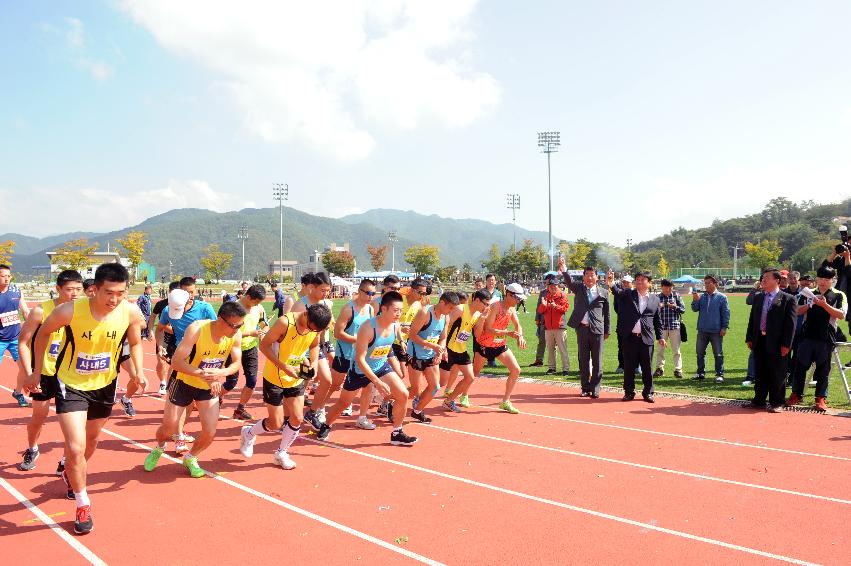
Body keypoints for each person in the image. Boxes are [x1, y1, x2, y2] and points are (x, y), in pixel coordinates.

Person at [28, 263, 147, 535]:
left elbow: (136, 343)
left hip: (105, 385)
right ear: (94, 289)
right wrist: (36, 371)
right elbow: (42, 334)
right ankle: (82, 503)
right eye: (108, 292)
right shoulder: (69, 311)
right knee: (76, 446)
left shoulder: (129, 311)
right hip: (70, 383)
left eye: (120, 292)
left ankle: (71, 469)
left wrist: (138, 372)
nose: (114, 299)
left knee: (91, 441)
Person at [144, 301, 246, 477]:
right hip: (183, 382)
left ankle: (191, 457)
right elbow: (176, 362)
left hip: (207, 387)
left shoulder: (235, 335)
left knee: (210, 431)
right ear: (221, 320)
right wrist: (205, 374)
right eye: (235, 325)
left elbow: (236, 364)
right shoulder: (197, 329)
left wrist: (220, 372)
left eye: (240, 325)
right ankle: (159, 447)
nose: (237, 329)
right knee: (168, 428)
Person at [316, 292, 417, 446]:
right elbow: (360, 359)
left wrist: (400, 351)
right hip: (359, 371)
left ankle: (397, 432)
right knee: (343, 403)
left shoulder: (395, 325)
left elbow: (386, 348)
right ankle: (326, 424)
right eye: (396, 310)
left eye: (401, 311)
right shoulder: (368, 328)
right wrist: (377, 382)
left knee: (403, 394)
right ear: (384, 309)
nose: (399, 314)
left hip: (381, 366)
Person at [240, 303, 331, 469]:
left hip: (295, 378)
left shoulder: (314, 328)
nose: (313, 332)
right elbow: (264, 345)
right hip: (274, 377)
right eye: (312, 328)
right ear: (306, 315)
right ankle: (249, 433)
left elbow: (314, 345)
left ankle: (281, 453)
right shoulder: (285, 323)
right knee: (275, 423)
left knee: (297, 418)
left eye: (316, 330)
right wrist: (284, 367)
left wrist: (314, 362)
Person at [16, 270, 84, 472]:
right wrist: (29, 372)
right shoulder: (41, 311)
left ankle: (65, 461)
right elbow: (23, 343)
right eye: (70, 289)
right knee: (39, 417)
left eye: (78, 289)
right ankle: (32, 448)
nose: (74, 294)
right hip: (44, 373)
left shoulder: (82, 312)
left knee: (72, 423)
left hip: (70, 374)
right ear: (58, 289)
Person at [156, 277, 217, 453]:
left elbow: (216, 329)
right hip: (181, 358)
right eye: (186, 292)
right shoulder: (170, 309)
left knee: (191, 404)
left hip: (202, 359)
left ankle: (178, 432)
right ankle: (179, 436)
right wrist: (161, 345)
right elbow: (160, 328)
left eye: (192, 292)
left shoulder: (205, 308)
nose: (190, 296)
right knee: (179, 402)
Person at [306, 279, 376, 431]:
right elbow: (338, 333)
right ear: (360, 291)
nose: (370, 296)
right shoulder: (348, 309)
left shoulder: (371, 309)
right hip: (345, 354)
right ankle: (319, 409)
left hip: (361, 356)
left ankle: (362, 417)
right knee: (334, 385)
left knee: (368, 386)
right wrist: (358, 339)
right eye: (368, 293)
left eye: (373, 293)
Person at [786, 266, 847, 411]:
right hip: (807, 336)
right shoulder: (808, 293)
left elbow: (841, 315)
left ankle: (821, 398)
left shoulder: (839, 295)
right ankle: (796, 394)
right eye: (820, 278)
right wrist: (810, 304)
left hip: (826, 337)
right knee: (800, 367)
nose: (823, 282)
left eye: (827, 279)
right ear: (817, 279)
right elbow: (796, 311)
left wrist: (824, 305)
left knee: (823, 369)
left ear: (833, 280)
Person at [606, 270, 665, 403]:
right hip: (629, 337)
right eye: (637, 279)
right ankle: (629, 392)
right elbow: (617, 292)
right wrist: (611, 283)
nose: (639, 281)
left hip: (646, 338)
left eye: (642, 279)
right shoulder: (628, 294)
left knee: (647, 368)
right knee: (628, 367)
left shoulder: (655, 300)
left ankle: (648, 393)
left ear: (649, 283)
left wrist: (660, 336)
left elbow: (657, 320)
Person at [469, 283, 527, 413]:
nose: (519, 301)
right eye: (517, 298)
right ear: (509, 295)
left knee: (516, 370)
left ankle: (505, 401)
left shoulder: (512, 309)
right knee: (473, 374)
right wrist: (508, 333)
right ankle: (464, 395)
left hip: (500, 346)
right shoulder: (495, 307)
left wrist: (520, 336)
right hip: (485, 345)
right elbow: (488, 329)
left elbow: (518, 325)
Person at [745, 268, 797, 412]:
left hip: (778, 342)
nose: (763, 280)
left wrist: (786, 344)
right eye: (763, 278)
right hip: (759, 339)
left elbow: (790, 325)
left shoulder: (788, 299)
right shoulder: (759, 297)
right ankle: (759, 399)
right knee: (760, 370)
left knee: (777, 372)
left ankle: (777, 402)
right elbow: (752, 320)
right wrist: (749, 337)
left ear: (777, 280)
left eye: (767, 277)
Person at [407, 291, 458, 422]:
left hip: (430, 355)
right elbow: (412, 335)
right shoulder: (424, 313)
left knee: (435, 386)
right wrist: (433, 346)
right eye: (450, 307)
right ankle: (388, 402)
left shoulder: (446, 317)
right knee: (414, 390)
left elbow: (443, 337)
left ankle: (417, 411)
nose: (451, 311)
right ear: (442, 302)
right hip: (415, 354)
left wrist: (439, 351)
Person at [221, 284, 268, 420]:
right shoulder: (233, 308)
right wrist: (249, 333)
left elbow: (264, 323)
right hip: (233, 349)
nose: (257, 305)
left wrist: (263, 331)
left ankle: (240, 409)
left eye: (259, 303)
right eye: (256, 302)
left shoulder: (258, 308)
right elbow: (228, 332)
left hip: (251, 349)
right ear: (248, 297)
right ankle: (217, 397)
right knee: (231, 383)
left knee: (252, 381)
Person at [292, 272, 335, 419]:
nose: (326, 294)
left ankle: (313, 412)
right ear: (312, 287)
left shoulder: (325, 304)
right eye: (323, 290)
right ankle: (290, 416)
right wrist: (301, 357)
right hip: (299, 350)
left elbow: (321, 330)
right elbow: (292, 333)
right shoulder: (300, 305)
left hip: (315, 348)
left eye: (328, 291)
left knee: (327, 380)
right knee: (300, 383)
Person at [564, 266, 610, 397]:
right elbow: (568, 282)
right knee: (583, 359)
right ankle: (585, 387)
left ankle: (595, 388)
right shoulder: (579, 289)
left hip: (597, 331)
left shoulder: (603, 292)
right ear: (583, 277)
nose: (590, 277)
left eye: (592, 275)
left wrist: (607, 330)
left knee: (597, 361)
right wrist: (565, 270)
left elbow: (607, 314)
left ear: (596, 277)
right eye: (587, 275)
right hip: (582, 329)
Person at [690, 274, 730, 383]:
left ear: (715, 283)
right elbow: (694, 309)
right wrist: (695, 300)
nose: (706, 285)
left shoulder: (722, 297)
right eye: (705, 283)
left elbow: (726, 313)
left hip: (716, 331)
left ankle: (719, 374)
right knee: (700, 353)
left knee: (718, 353)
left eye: (708, 283)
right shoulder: (702, 297)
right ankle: (700, 373)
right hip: (702, 330)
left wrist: (724, 327)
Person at [3, 264, 32, 407]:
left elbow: (25, 311)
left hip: (15, 338)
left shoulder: (16, 291)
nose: (6, 279)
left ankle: (18, 393)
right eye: (3, 276)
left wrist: (33, 326)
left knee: (24, 368)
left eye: (8, 276)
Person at [536, 277, 569, 375]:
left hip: (560, 327)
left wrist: (555, 306)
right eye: (550, 286)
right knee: (550, 348)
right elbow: (540, 311)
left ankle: (565, 369)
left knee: (562, 349)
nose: (553, 288)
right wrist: (544, 305)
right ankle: (552, 368)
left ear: (558, 286)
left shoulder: (562, 295)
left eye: (554, 286)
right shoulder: (546, 297)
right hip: (548, 327)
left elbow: (565, 309)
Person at [151, 281, 179, 396]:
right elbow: (153, 317)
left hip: (178, 338)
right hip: (164, 336)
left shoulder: (185, 305)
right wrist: (149, 331)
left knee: (174, 363)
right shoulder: (162, 305)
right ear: (169, 292)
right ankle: (162, 382)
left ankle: (170, 384)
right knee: (161, 360)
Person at [654, 279, 686, 379]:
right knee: (660, 350)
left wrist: (674, 307)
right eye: (665, 287)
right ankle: (659, 368)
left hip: (674, 326)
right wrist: (659, 307)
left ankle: (678, 370)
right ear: (662, 287)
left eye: (670, 287)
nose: (668, 289)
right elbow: (652, 311)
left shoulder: (676, 296)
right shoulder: (657, 297)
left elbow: (683, 310)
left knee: (676, 350)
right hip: (661, 327)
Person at [613, 274, 633, 374]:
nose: (625, 284)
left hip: (634, 325)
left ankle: (636, 366)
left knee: (634, 347)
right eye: (624, 282)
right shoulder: (618, 294)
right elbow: (616, 307)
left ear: (631, 283)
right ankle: (621, 365)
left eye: (627, 282)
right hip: (621, 324)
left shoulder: (635, 293)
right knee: (621, 346)